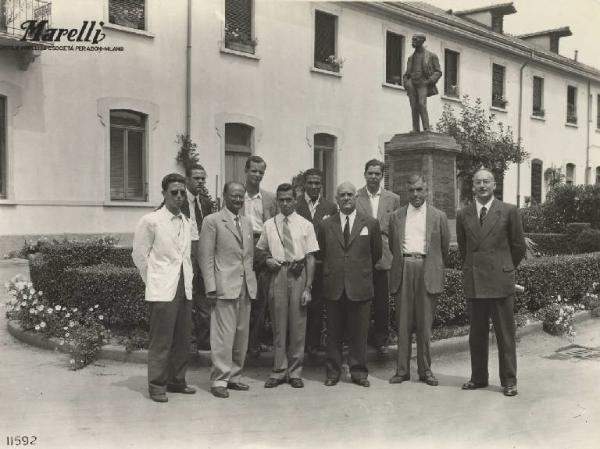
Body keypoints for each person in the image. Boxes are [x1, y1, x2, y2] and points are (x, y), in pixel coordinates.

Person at [456, 168, 526, 397]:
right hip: (475, 281)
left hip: (500, 280)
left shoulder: (508, 211)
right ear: (473, 187)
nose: (482, 186)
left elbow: (518, 247)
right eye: (478, 182)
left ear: (494, 185)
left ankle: (509, 381)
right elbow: (464, 249)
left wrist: (504, 267)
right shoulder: (463, 214)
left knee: (505, 334)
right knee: (476, 334)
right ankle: (478, 377)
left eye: (486, 181)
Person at [132, 173, 195, 403]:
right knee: (161, 340)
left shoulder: (187, 222)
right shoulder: (151, 221)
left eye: (182, 192)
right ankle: (157, 385)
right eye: (174, 193)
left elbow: (185, 257)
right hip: (162, 287)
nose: (179, 197)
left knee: (182, 337)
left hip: (184, 285)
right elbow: (139, 255)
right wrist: (153, 280)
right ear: (164, 194)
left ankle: (177, 381)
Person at [317, 182, 382, 388]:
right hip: (334, 285)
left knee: (359, 332)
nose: (346, 198)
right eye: (342, 195)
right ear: (336, 199)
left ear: (356, 198)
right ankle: (333, 372)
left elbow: (376, 253)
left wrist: (357, 271)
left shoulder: (370, 223)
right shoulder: (326, 225)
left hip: (360, 285)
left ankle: (358, 372)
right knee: (333, 333)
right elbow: (322, 253)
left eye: (350, 194)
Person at [388, 174, 450, 386]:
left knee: (424, 324)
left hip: (427, 268)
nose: (415, 194)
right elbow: (392, 247)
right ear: (407, 191)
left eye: (419, 190)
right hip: (404, 267)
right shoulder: (396, 216)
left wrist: (430, 264)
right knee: (403, 323)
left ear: (426, 191)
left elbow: (443, 248)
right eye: (412, 190)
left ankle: (425, 371)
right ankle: (402, 370)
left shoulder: (439, 216)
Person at [199, 181, 258, 399]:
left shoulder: (247, 222)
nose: (238, 199)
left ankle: (234, 376)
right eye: (233, 195)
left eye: (241, 196)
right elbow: (205, 256)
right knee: (223, 336)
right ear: (224, 196)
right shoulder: (212, 221)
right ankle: (218, 380)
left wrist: (251, 282)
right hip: (224, 286)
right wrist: (210, 286)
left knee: (241, 335)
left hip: (245, 286)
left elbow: (248, 256)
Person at [257, 183, 318, 388]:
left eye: (288, 199)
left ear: (295, 199)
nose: (285, 203)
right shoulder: (269, 224)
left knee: (298, 325)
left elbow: (310, 257)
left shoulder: (305, 225)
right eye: (281, 200)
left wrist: (308, 287)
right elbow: (260, 250)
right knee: (278, 324)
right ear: (277, 201)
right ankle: (279, 370)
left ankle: (295, 372)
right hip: (278, 274)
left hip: (298, 274)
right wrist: (267, 260)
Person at [355, 159, 401, 357]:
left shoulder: (393, 199)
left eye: (377, 173)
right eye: (370, 173)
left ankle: (381, 339)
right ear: (364, 174)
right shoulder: (355, 196)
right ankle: (360, 338)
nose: (373, 177)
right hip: (362, 254)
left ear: (382, 176)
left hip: (384, 254)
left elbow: (397, 228)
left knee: (382, 301)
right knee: (361, 299)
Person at [296, 168, 338, 354]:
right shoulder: (296, 205)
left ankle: (313, 344)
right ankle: (298, 343)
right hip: (298, 262)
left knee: (317, 305)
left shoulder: (330, 207)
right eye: (310, 183)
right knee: (298, 303)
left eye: (317, 183)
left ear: (322, 185)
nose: (314, 187)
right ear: (304, 184)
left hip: (320, 263)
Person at [242, 155, 278, 358]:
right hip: (242, 245)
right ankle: (240, 342)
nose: (257, 175)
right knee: (243, 295)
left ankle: (254, 343)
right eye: (253, 171)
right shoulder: (237, 195)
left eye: (260, 172)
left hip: (262, 244)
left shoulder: (270, 198)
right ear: (246, 171)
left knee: (262, 297)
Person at [181, 164, 213, 350]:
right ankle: (190, 343)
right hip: (186, 251)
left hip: (203, 250)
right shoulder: (179, 198)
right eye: (196, 178)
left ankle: (204, 340)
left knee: (204, 296)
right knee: (188, 297)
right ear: (187, 179)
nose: (200, 181)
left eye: (203, 178)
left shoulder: (206, 202)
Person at [403, 34, 442, 132]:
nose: (413, 41)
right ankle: (415, 129)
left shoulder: (431, 56)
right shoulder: (410, 58)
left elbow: (438, 72)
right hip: (412, 83)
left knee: (421, 104)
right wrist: (406, 82)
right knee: (413, 105)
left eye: (415, 40)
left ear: (422, 41)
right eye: (412, 39)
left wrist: (429, 81)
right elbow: (406, 74)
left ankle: (426, 128)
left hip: (423, 82)